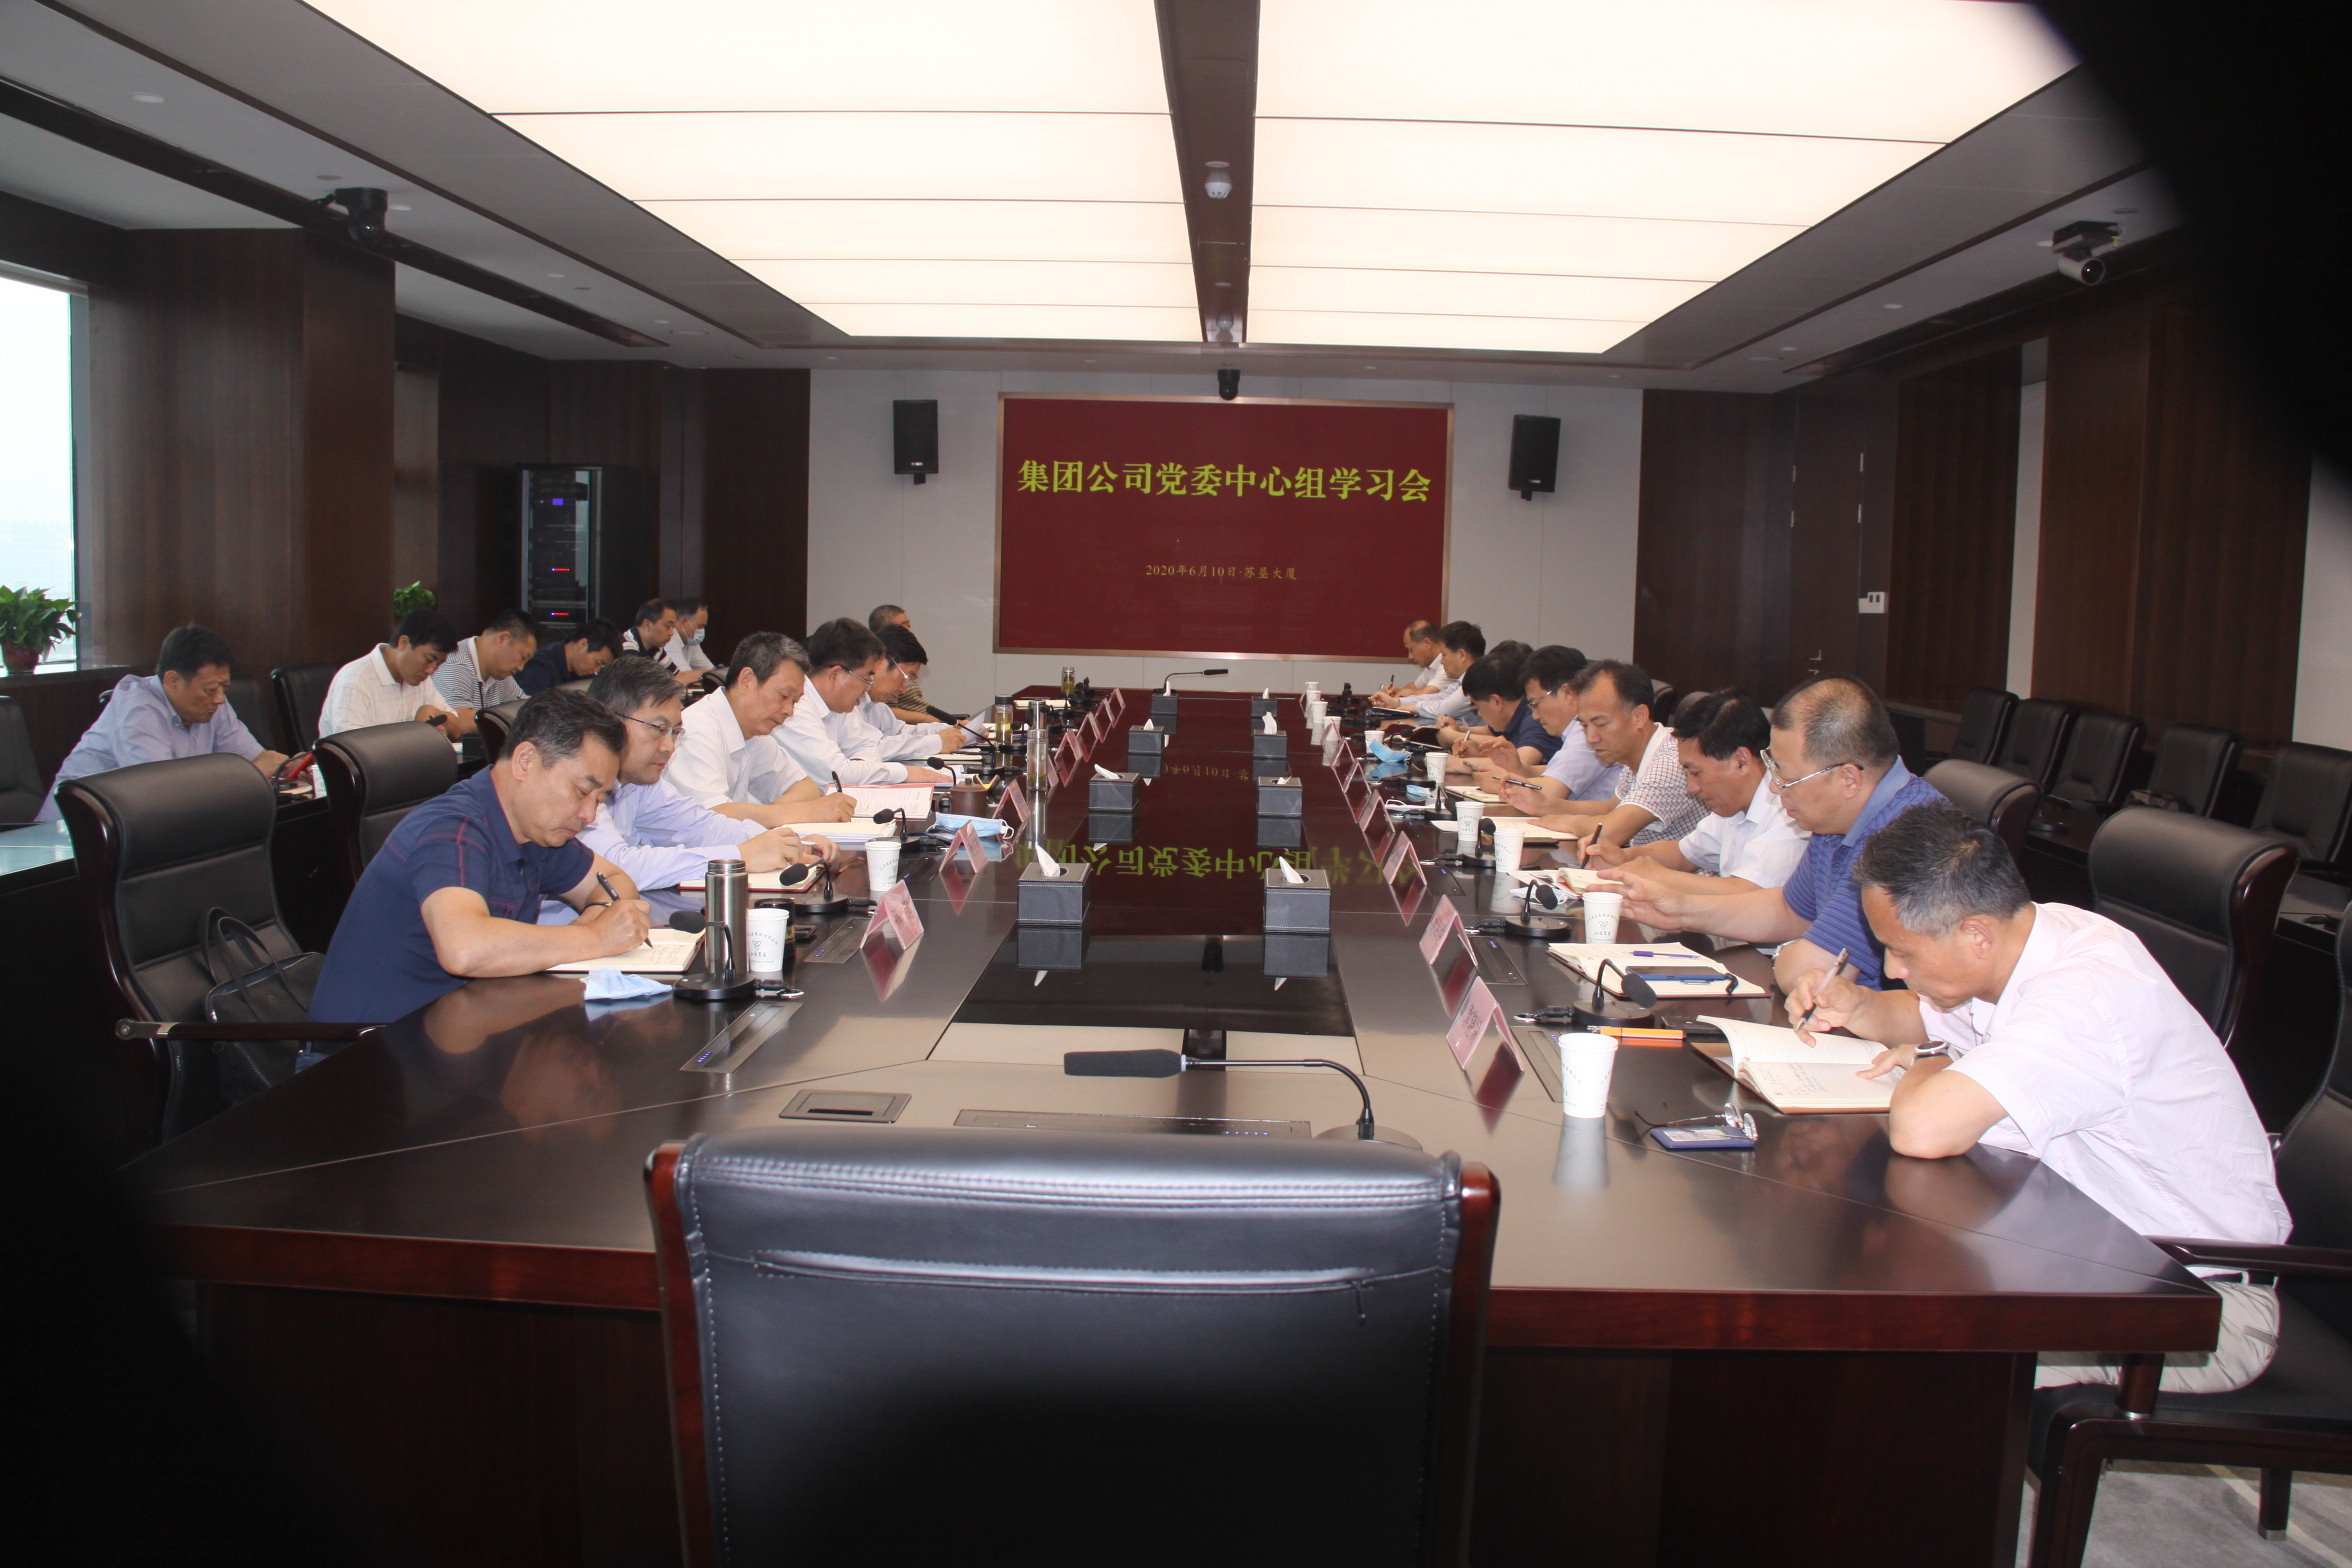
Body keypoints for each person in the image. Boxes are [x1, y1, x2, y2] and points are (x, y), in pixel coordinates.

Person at [1788, 806, 2288, 1393]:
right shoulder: (2030, 938)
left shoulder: (2085, 995)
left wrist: (1934, 1059)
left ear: (1976, 935)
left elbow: (1923, 1129)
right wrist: (1859, 1005)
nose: (1892, 969)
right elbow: (1929, 1017)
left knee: (1890, 1358)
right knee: (1869, 1299)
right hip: (2093, 1252)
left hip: (2192, 1301)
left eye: (1904, 952)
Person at [308, 690, 651, 1023]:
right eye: (581, 791)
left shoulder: (536, 831)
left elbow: (614, 881)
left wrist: (591, 926)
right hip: (370, 1046)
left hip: (464, 1026)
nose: (588, 815)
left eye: (599, 799)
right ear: (526, 761)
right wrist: (594, 938)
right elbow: (464, 948)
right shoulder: (452, 829)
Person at [1606, 674, 1948, 994]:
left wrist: (1786, 952)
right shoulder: (1835, 820)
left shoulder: (1908, 840)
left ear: (1848, 779)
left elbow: (1809, 972)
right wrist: (1680, 910)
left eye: (1785, 775)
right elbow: (1788, 910)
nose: (1773, 786)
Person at [565, 656, 835, 906]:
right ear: (611, 723)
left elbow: (698, 825)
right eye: (659, 729)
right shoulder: (577, 784)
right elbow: (615, 866)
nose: (669, 746)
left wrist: (785, 843)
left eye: (675, 732)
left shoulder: (641, 782)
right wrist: (739, 856)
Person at [39, 624, 288, 820]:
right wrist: (252, 774)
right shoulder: (139, 711)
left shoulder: (213, 704)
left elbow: (258, 759)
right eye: (211, 689)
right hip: (68, 839)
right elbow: (163, 797)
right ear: (172, 681)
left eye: (224, 687)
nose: (220, 698)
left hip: (136, 830)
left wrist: (286, 767)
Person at [1583, 690, 1807, 894]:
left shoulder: (1788, 809)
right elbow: (1683, 854)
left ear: (1740, 761)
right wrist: (1623, 857)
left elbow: (1748, 894)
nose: (1691, 788)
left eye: (1696, 773)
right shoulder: (1731, 805)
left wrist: (1656, 875)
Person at [665, 631, 857, 827]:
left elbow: (806, 787)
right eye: (783, 696)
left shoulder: (754, 731)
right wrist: (798, 812)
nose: (789, 711)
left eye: (795, 701)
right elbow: (711, 818)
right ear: (747, 680)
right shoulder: (697, 731)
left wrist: (775, 814)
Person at [1523, 659, 1704, 851]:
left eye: (1601, 724)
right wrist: (1546, 805)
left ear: (1639, 716)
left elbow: (1609, 831)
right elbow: (1610, 808)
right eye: (1584, 726)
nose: (1591, 738)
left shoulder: (1670, 763)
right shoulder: (1636, 752)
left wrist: (1565, 822)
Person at [776, 618, 953, 788]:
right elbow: (837, 775)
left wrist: (860, 768)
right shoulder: (795, 709)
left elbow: (866, 745)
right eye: (867, 677)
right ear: (835, 675)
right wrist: (904, 773)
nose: (868, 687)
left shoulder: (838, 705)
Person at [1488, 645, 1608, 809]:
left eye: (1535, 704)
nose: (1535, 716)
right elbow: (1557, 771)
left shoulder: (1586, 735)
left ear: (1567, 693)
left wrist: (1498, 782)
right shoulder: (1577, 732)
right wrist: (1519, 769)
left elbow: (1547, 793)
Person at [318, 608, 457, 739]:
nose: (431, 670)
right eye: (429, 659)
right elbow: (351, 746)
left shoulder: (421, 678)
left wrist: (434, 713)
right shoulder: (356, 679)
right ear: (404, 643)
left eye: (438, 664)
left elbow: (457, 727)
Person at [854, 624, 979, 762]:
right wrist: (936, 742)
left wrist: (952, 731)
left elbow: (900, 732)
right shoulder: (848, 704)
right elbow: (872, 749)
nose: (903, 689)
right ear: (880, 662)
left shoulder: (875, 705)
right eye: (907, 678)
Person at [1441, 650, 1557, 775]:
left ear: (1496, 701)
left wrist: (1457, 763)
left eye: (1478, 706)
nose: (1479, 714)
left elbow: (1520, 763)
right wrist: (1479, 754)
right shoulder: (1512, 716)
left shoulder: (1534, 719)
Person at [428, 611, 537, 739]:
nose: (520, 668)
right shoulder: (455, 664)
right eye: (522, 657)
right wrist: (511, 716)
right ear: (502, 639)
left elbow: (525, 709)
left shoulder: (499, 672)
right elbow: (460, 721)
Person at [867, 603, 943, 726]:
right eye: (903, 626)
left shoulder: (875, 704)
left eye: (909, 626)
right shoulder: (861, 701)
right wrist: (930, 721)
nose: (903, 689)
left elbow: (898, 730)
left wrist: (941, 729)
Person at [515, 619, 623, 696]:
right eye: (597, 662)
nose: (596, 670)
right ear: (582, 644)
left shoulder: (583, 673)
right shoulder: (539, 667)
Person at [1374, 621, 1445, 705]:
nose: (1410, 657)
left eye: (1411, 649)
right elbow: (1414, 686)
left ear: (1427, 643)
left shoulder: (1446, 665)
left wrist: (1396, 699)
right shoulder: (1432, 665)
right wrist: (1399, 692)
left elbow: (1428, 694)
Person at [661, 597, 715, 676]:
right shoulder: (669, 639)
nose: (702, 630)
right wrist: (708, 672)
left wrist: (711, 672)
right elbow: (685, 676)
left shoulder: (691, 641)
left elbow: (712, 671)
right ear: (684, 621)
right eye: (700, 626)